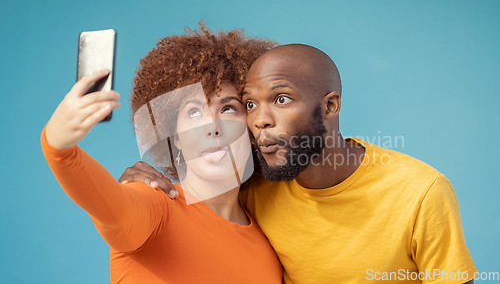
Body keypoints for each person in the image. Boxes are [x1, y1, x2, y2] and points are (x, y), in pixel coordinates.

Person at [121, 44, 477, 283]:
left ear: (330, 106)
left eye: (281, 98)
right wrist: (141, 182)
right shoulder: (256, 190)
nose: (260, 120)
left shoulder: (420, 192)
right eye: (250, 104)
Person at [41, 23, 282, 283]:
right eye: (194, 112)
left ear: (251, 126)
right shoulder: (156, 206)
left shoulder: (269, 252)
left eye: (228, 109)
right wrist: (58, 146)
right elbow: (110, 206)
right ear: (175, 136)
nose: (211, 127)